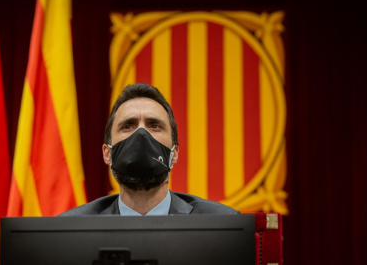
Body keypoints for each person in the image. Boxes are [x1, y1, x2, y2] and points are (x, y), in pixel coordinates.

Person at [59, 83, 239, 216]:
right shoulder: (72, 227)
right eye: (128, 126)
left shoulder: (220, 222)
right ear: (107, 153)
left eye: (154, 125)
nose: (141, 134)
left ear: (174, 153)